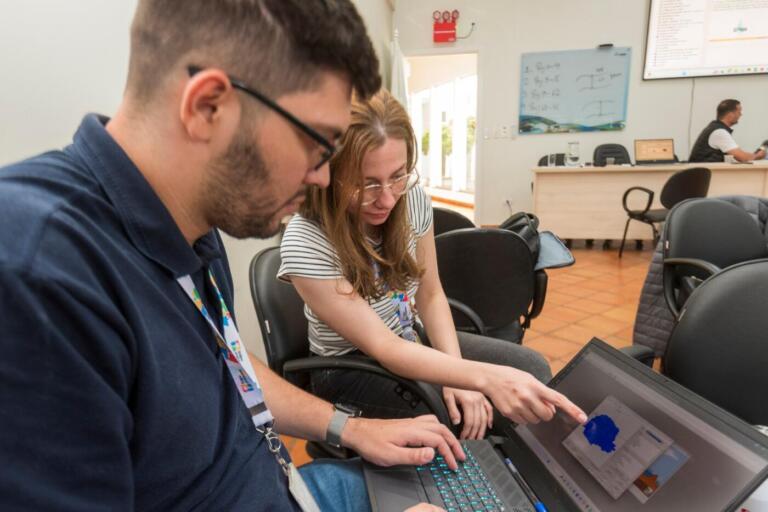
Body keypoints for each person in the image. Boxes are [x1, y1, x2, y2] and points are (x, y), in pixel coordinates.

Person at [0, 2, 479, 511]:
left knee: (475, 480)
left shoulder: (191, 226)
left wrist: (350, 428)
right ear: (209, 106)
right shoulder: (36, 275)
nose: (322, 177)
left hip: (286, 487)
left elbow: (223, 360)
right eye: (318, 145)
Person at [278, 90, 587, 441]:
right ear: (328, 175)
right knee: (448, 416)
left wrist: (461, 376)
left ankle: (522, 479)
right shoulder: (306, 241)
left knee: (530, 368)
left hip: (409, 337)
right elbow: (385, 348)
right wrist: (464, 377)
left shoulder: (411, 202)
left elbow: (431, 294)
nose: (388, 199)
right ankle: (482, 484)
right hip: (350, 366)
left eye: (398, 175)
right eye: (367, 184)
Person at [689, 99, 767, 163]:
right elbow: (742, 157)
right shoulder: (719, 132)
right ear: (730, 115)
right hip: (704, 176)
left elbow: (735, 157)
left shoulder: (715, 128)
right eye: (739, 112)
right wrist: (757, 156)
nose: (740, 115)